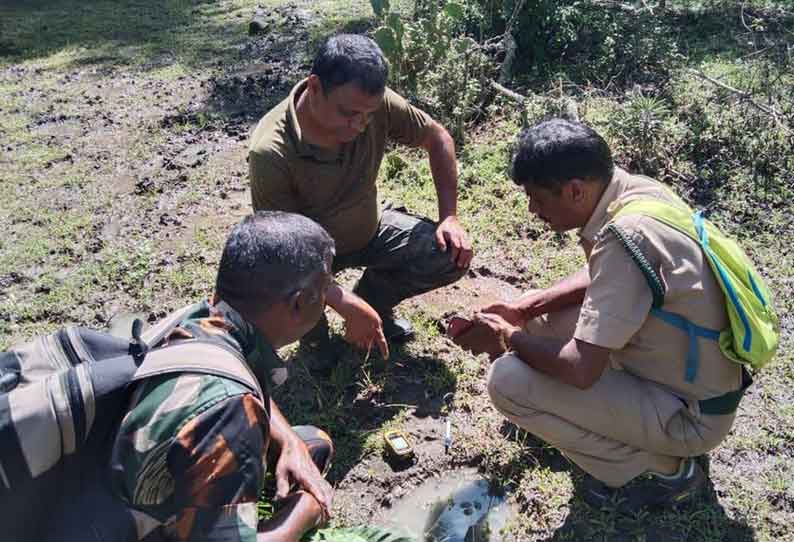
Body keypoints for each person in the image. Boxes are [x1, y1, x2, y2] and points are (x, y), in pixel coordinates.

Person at [473, 119, 745, 510]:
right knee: (535, 320)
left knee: (507, 381)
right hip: (689, 372)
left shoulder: (624, 237)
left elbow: (580, 369)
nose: (533, 210)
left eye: (538, 198)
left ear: (575, 190)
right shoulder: (637, 194)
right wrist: (522, 309)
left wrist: (505, 336)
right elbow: (608, 276)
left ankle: (663, 470)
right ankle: (619, 429)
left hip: (691, 416)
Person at [52, 211, 337, 541]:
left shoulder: (199, 320)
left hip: (82, 492)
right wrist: (306, 511)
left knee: (311, 444)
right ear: (300, 303)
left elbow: (225, 393)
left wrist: (290, 443)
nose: (329, 294)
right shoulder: (229, 416)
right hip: (112, 525)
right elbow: (224, 406)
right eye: (326, 285)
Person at [248, 34, 472, 364]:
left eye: (367, 115)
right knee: (313, 348)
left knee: (447, 255)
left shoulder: (370, 104)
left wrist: (449, 216)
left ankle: (373, 302)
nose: (359, 124)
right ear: (314, 88)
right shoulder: (272, 152)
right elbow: (284, 253)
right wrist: (340, 302)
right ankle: (316, 338)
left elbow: (437, 137)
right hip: (305, 257)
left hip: (368, 229)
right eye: (348, 114)